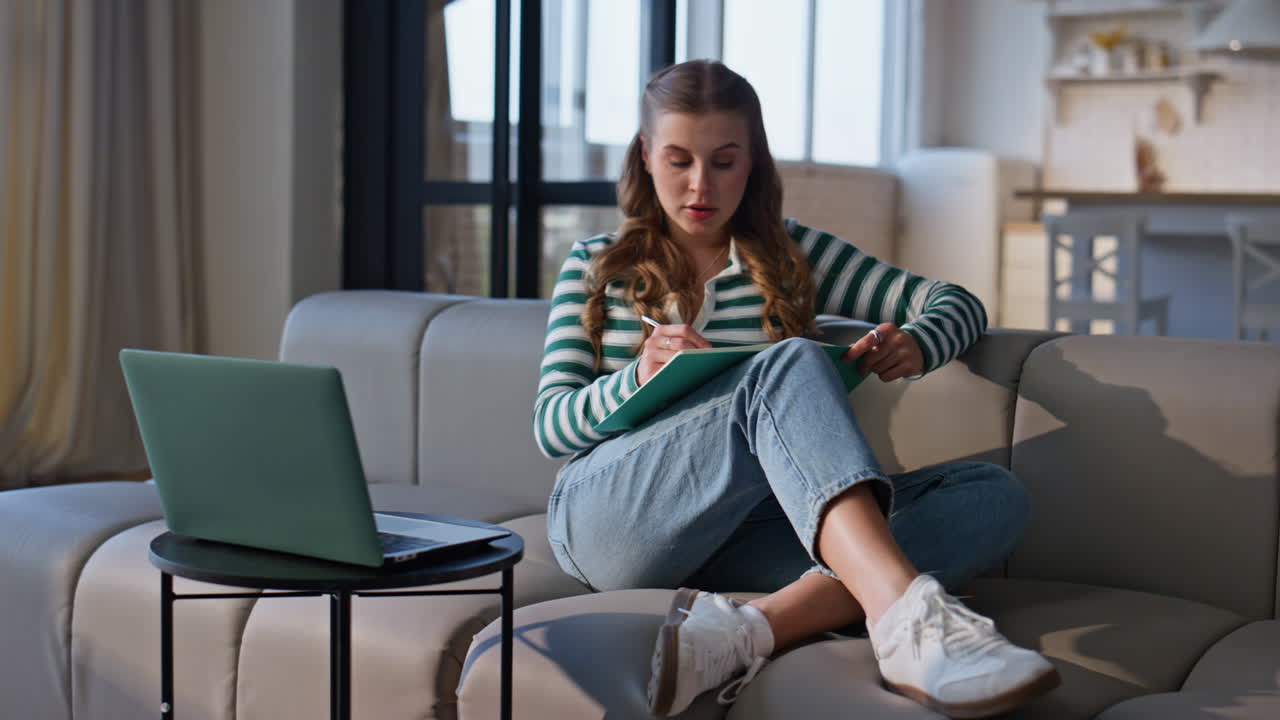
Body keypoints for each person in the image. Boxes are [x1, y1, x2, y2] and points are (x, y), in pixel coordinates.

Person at [533, 59, 1059, 718]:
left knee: (991, 497)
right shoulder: (594, 264)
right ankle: (906, 623)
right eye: (678, 161)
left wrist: (920, 343)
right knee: (789, 362)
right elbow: (551, 425)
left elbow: (955, 302)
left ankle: (752, 630)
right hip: (609, 524)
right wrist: (637, 378)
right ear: (645, 156)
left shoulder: (792, 257)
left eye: (724, 161)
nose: (700, 185)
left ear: (752, 160)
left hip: (743, 536)